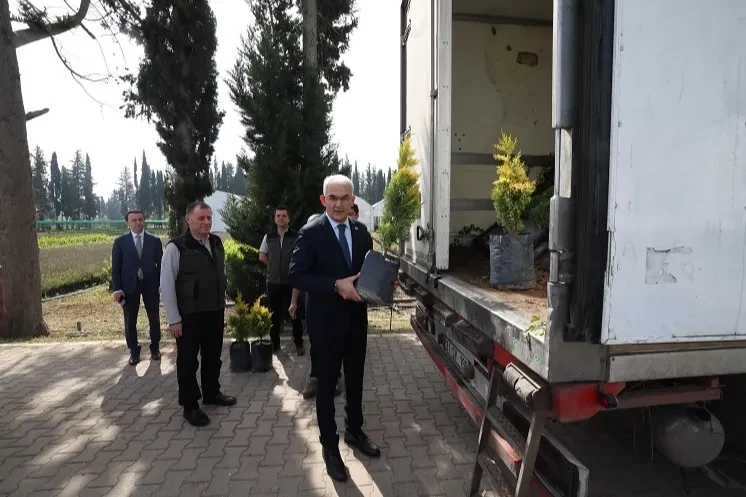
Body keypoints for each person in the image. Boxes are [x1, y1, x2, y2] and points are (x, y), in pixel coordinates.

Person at [289, 174, 381, 482]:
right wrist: (334, 285)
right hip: (325, 325)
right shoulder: (311, 233)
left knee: (355, 380)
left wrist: (381, 284)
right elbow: (296, 275)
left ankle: (354, 431)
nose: (338, 204)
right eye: (333, 198)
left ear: (353, 200)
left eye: (344, 198)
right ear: (323, 200)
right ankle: (330, 447)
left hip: (356, 322)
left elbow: (365, 274)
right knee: (327, 387)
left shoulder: (362, 232)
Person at [160, 201, 237, 427]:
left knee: (213, 356)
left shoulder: (216, 242)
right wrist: (174, 319)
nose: (206, 222)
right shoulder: (176, 247)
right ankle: (190, 405)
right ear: (188, 220)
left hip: (214, 311)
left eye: (209, 218)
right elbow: (166, 285)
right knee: (188, 361)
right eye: (201, 218)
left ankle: (212, 393)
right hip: (189, 315)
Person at [289, 213, 342, 400]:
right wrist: (293, 302)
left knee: (333, 343)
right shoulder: (306, 251)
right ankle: (315, 377)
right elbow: (297, 279)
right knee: (315, 343)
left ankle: (335, 378)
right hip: (312, 305)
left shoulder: (333, 250)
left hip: (334, 304)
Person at [111, 210, 163, 365]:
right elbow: (116, 268)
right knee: (130, 320)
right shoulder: (120, 242)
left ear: (144, 221)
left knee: (154, 317)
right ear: (128, 223)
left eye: (140, 219)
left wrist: (162, 284)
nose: (138, 222)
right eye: (134, 220)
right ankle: (134, 351)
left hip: (151, 285)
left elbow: (161, 265)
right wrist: (117, 289)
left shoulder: (154, 241)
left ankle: (155, 348)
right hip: (129, 287)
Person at [258, 206, 305, 356]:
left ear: (289, 219)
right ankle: (275, 344)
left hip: (292, 282)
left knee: (294, 312)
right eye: (278, 216)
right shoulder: (269, 237)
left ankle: (299, 343)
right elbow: (262, 256)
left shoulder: (297, 236)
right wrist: (272, 266)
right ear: (274, 219)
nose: (281, 218)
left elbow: (302, 257)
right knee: (274, 314)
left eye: (284, 216)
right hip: (273, 282)